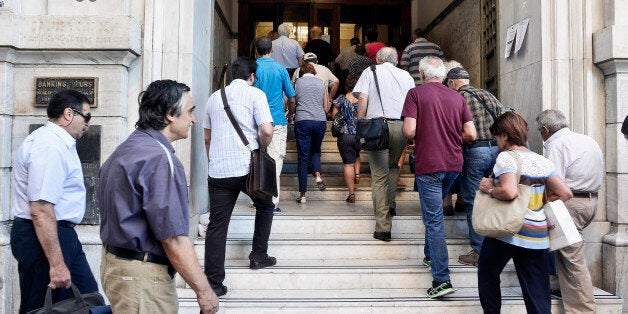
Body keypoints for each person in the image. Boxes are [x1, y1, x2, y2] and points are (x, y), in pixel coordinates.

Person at [98, 80, 219, 313]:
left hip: (118, 268)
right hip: (142, 279)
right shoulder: (160, 159)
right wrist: (205, 292)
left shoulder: (128, 147)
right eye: (190, 111)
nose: (193, 119)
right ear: (169, 114)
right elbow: (174, 239)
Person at [11, 90, 98, 314]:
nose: (88, 123)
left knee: (87, 301)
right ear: (69, 114)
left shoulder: (58, 143)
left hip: (61, 234)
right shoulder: (49, 146)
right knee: (43, 308)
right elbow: (40, 209)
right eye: (86, 116)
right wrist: (57, 264)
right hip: (43, 235)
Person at [477, 112, 573, 313]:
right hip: (537, 234)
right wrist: (539, 206)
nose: (496, 142)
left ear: (504, 135)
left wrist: (490, 189)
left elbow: (509, 191)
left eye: (496, 137)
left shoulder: (506, 157)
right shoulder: (541, 160)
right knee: (537, 290)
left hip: (507, 230)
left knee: (487, 274)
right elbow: (565, 193)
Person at [401, 56, 477, 298]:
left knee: (434, 220)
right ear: (444, 76)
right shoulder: (457, 97)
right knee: (433, 213)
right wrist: (451, 138)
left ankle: (442, 279)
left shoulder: (416, 94)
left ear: (422, 75)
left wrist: (419, 139)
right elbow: (471, 133)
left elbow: (409, 130)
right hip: (454, 164)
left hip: (430, 164)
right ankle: (428, 255)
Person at [203, 57, 277, 297]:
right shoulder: (256, 95)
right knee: (265, 205)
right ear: (252, 77)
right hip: (248, 168)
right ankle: (258, 255)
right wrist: (262, 147)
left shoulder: (214, 98)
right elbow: (266, 130)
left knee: (217, 225)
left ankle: (214, 283)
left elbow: (207, 137)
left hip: (219, 170)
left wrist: (213, 159)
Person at [536, 109, 603, 313]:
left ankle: (583, 310)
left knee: (572, 260)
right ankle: (555, 285)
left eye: (540, 131)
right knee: (567, 254)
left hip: (570, 204)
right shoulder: (587, 140)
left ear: (546, 130)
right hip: (590, 202)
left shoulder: (556, 144)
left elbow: (553, 182)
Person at [445, 65, 505, 266]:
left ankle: (479, 251)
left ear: (452, 83)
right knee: (492, 197)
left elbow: (455, 128)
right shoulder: (487, 95)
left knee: (473, 200)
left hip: (475, 151)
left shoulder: (456, 98)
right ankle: (497, 245)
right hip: (496, 150)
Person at [354, 47, 415, 241]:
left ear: (378, 60)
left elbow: (362, 97)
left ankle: (383, 227)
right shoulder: (406, 76)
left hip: (379, 127)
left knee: (379, 176)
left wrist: (361, 120)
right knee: (394, 166)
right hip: (402, 126)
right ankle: (391, 205)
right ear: (396, 60)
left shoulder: (370, 71)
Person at [255, 36, 297, 214]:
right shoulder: (280, 69)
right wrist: (291, 114)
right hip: (277, 120)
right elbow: (292, 97)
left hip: (256, 121)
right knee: (275, 161)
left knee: (256, 159)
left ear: (256, 51)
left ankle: (256, 197)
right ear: (272, 50)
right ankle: (271, 202)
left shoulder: (253, 69)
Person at [292, 63, 329, 203]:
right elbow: (326, 108)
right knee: (315, 150)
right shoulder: (321, 83)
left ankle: (302, 195)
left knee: (303, 157)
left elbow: (293, 102)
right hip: (320, 121)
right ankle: (318, 175)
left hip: (303, 120)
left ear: (301, 72)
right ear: (314, 72)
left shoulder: (297, 83)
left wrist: (292, 114)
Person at [332, 74, 362, 203]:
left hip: (345, 134)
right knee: (357, 153)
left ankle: (351, 194)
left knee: (348, 163)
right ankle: (357, 173)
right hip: (360, 134)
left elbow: (334, 115)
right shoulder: (362, 98)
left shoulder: (341, 98)